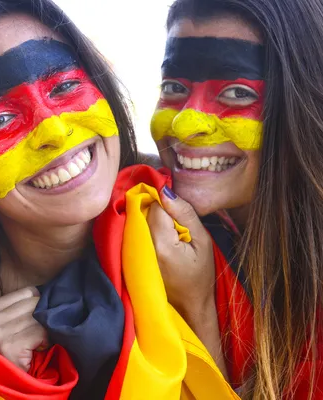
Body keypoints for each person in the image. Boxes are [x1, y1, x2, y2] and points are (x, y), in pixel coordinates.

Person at [0, 0, 242, 398]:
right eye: (0, 119)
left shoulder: (202, 231)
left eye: (64, 87)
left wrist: (197, 304)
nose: (55, 130)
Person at [150, 0, 323, 397]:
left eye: (237, 93)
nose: (185, 124)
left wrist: (196, 306)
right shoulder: (141, 213)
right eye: (173, 88)